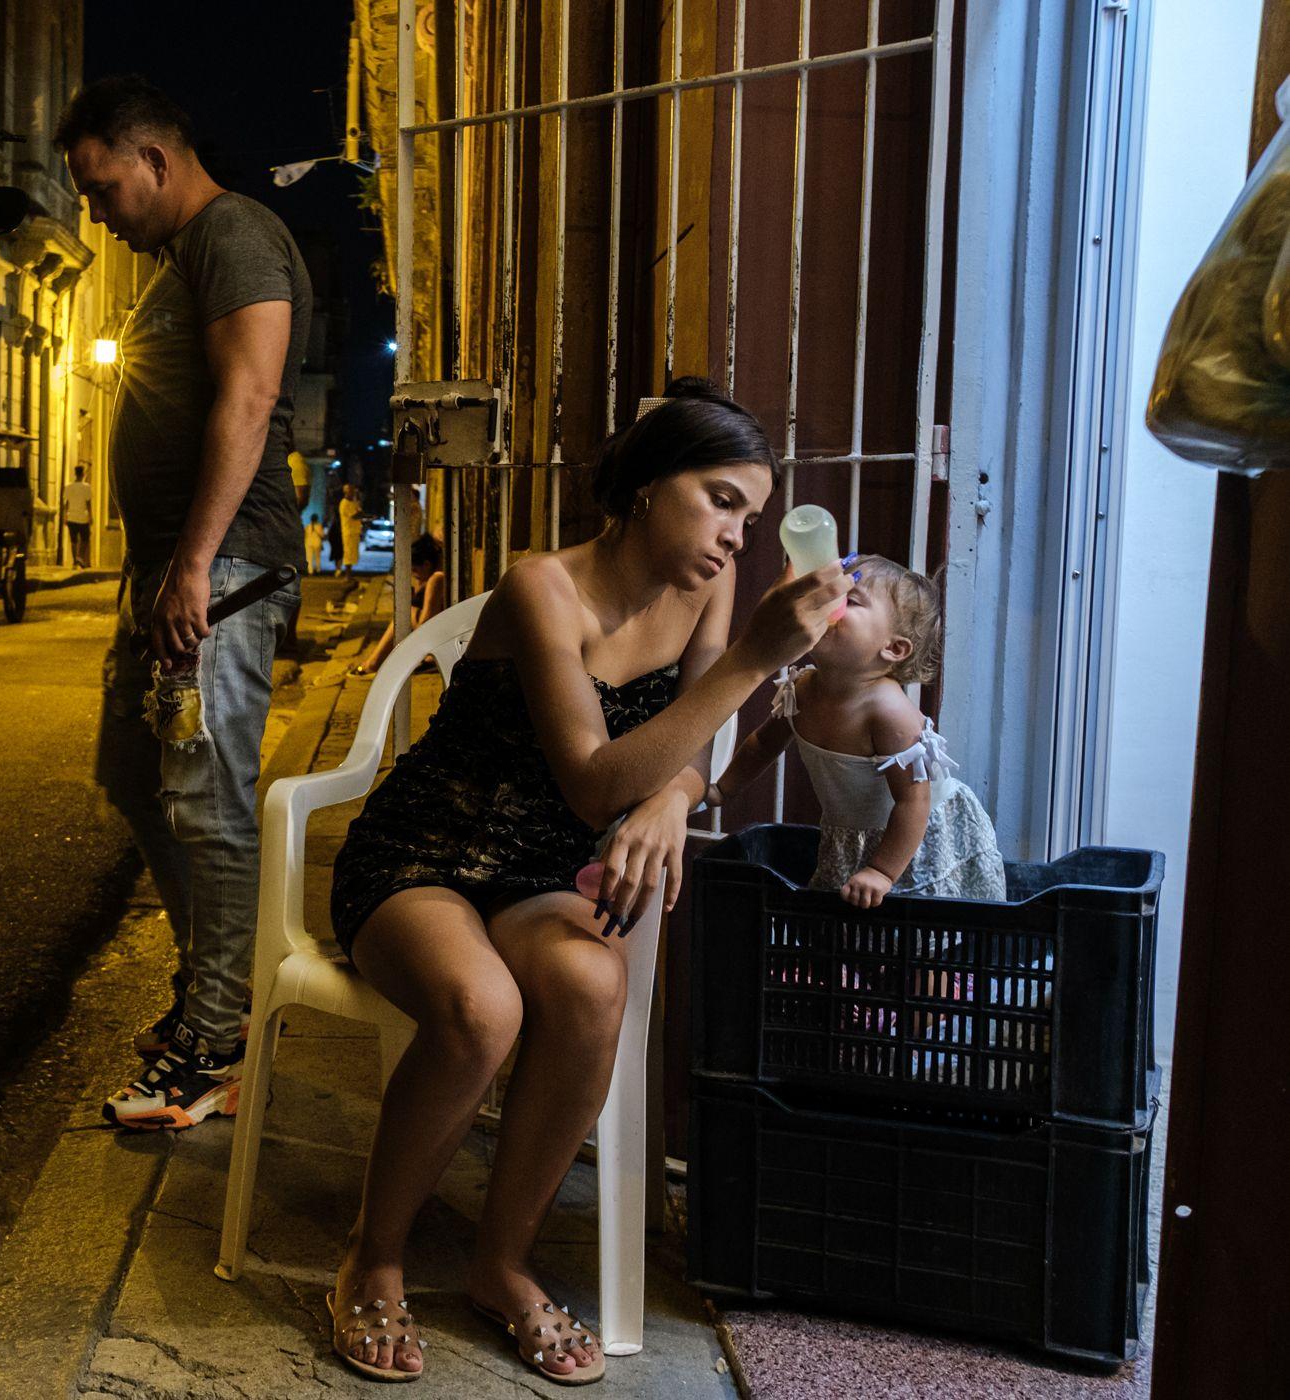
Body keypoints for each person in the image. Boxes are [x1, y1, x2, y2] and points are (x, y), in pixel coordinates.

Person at [319, 379, 849, 1382]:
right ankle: (373, 1257)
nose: (739, 534)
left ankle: (499, 1264)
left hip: (539, 869)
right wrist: (753, 661)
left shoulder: (708, 591)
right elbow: (594, 774)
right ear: (648, 485)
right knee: (481, 1008)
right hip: (425, 852)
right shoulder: (540, 586)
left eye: (755, 514)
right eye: (722, 499)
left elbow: (684, 744)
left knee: (592, 984)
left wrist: (675, 797)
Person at [58, 74, 307, 1130]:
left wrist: (197, 563)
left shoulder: (234, 233)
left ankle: (216, 1034)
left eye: (105, 189)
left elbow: (250, 396)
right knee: (132, 776)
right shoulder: (180, 259)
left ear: (153, 159)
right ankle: (214, 982)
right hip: (174, 574)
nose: (101, 218)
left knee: (206, 800)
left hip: (223, 571)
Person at [706, 554, 1005, 903]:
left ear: (893, 648)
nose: (830, 603)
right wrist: (721, 790)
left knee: (911, 928)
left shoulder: (889, 713)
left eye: (850, 600)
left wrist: (882, 871)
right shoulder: (801, 689)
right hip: (850, 834)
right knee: (847, 921)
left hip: (914, 839)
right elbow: (762, 746)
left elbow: (913, 801)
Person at [349, 532, 447, 677]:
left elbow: (426, 621)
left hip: (435, 638)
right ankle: (373, 663)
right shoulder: (435, 576)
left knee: (402, 616)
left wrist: (411, 611)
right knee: (402, 615)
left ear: (426, 564)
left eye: (415, 570)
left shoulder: (436, 579)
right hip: (435, 635)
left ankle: (373, 664)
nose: (414, 575)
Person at [62, 464, 97, 568]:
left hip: (71, 516)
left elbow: (66, 504)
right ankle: (80, 557)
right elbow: (88, 503)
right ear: (83, 474)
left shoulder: (68, 487)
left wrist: (65, 516)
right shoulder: (86, 487)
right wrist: (91, 516)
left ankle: (74, 561)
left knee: (73, 540)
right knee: (85, 539)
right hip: (82, 517)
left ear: (75, 474)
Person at [337, 483, 366, 577]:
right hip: (348, 532)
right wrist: (361, 514)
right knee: (348, 554)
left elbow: (360, 512)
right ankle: (347, 575)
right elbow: (356, 515)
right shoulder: (344, 503)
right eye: (352, 491)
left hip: (354, 531)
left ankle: (349, 574)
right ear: (346, 492)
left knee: (353, 554)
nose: (353, 493)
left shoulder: (353, 503)